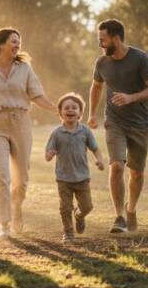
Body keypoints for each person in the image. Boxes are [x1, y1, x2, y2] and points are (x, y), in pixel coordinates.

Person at [0, 28, 57, 238]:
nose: (17, 45)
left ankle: (16, 208)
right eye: (13, 41)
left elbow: (38, 96)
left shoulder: (25, 69)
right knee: (0, 176)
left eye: (19, 42)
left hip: (21, 123)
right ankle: (4, 225)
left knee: (21, 178)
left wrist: (57, 109)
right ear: (1, 44)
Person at [87, 19, 148, 233]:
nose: (100, 44)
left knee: (136, 172)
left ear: (115, 38)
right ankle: (119, 216)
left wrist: (131, 98)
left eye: (103, 40)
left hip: (140, 123)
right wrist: (92, 113)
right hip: (114, 121)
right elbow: (96, 86)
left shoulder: (140, 59)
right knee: (117, 165)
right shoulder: (101, 63)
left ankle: (131, 209)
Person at [45, 93, 105, 242]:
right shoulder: (56, 133)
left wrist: (100, 160)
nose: (70, 110)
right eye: (66, 108)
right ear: (60, 113)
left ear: (80, 113)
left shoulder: (85, 131)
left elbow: (95, 148)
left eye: (74, 108)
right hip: (63, 178)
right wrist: (50, 154)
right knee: (65, 208)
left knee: (87, 206)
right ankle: (68, 233)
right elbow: (47, 155)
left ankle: (79, 215)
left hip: (82, 177)